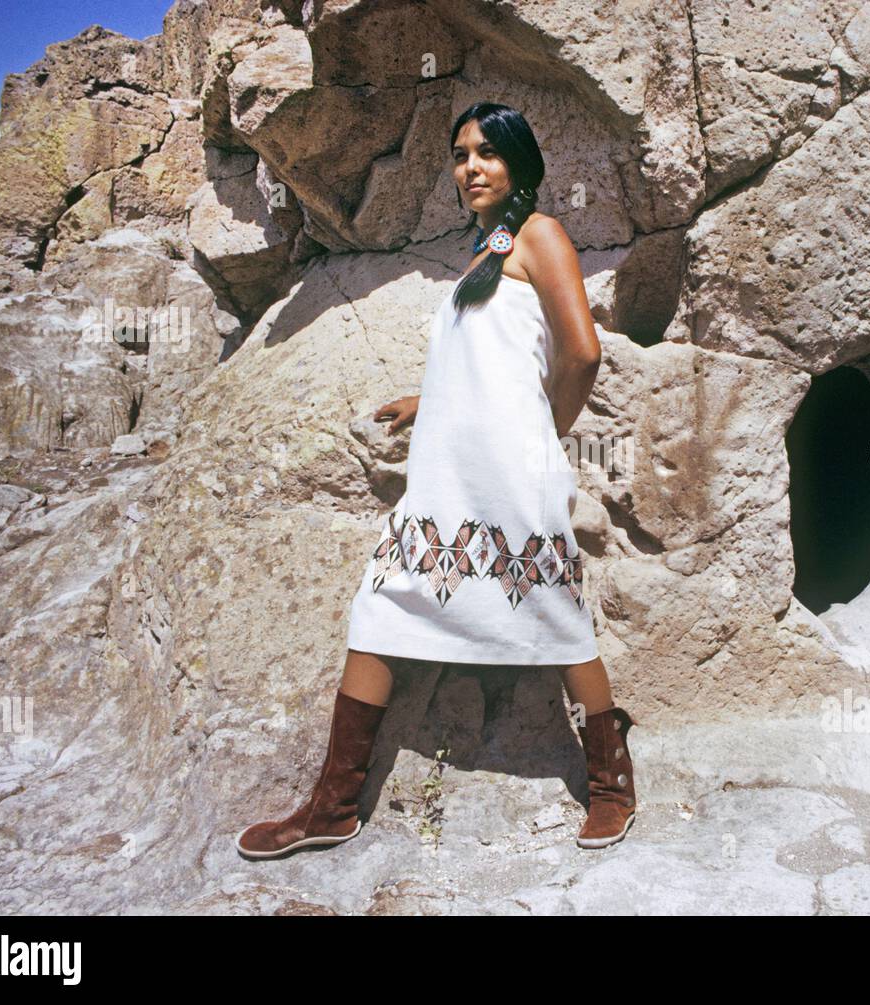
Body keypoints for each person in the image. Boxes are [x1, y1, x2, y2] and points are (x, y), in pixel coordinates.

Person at [236, 102, 639, 859]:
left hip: (512, 475)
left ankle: (613, 783)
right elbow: (490, 351)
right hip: (446, 481)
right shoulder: (485, 249)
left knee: (558, 615)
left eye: (488, 152)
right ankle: (332, 804)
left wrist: (539, 433)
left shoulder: (541, 234)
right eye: (459, 154)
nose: (471, 167)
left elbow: (580, 353)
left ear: (519, 161)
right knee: (381, 608)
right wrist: (430, 400)